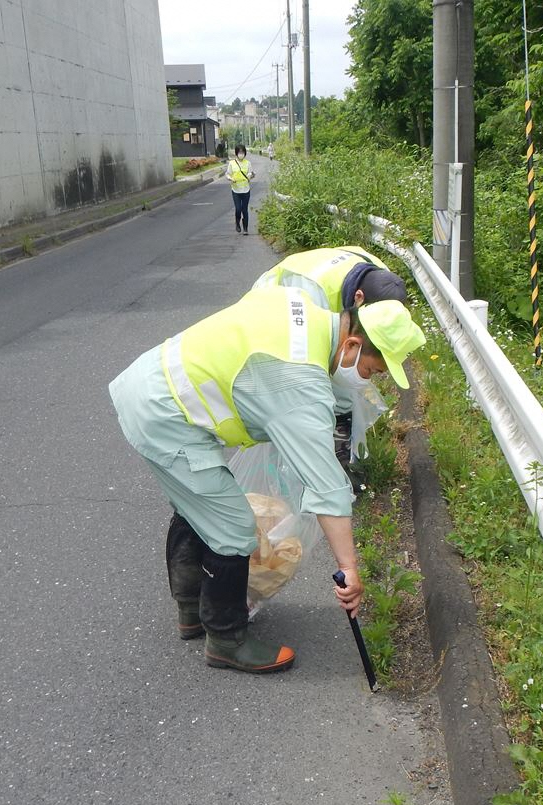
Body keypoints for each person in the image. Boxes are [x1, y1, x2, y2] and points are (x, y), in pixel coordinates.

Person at [109, 287, 426, 675]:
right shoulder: (298, 384)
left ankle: (193, 611)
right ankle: (226, 640)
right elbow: (327, 488)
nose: (367, 380)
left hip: (154, 381)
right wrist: (351, 569)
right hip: (163, 414)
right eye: (371, 370)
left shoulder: (303, 309)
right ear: (352, 345)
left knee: (198, 507)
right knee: (232, 527)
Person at [253, 247, 409, 468]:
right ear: (359, 297)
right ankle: (291, 466)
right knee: (303, 395)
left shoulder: (385, 286)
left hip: (324, 300)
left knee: (343, 379)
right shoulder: (311, 295)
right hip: (272, 309)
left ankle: (340, 452)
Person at [225, 145, 254, 235]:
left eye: (243, 152)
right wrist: (230, 179)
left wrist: (250, 175)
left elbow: (251, 172)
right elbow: (227, 174)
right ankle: (237, 222)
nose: (241, 154)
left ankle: (245, 229)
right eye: (239, 152)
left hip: (246, 189)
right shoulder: (232, 163)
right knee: (238, 209)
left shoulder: (248, 163)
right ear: (236, 153)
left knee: (244, 209)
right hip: (236, 190)